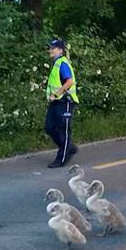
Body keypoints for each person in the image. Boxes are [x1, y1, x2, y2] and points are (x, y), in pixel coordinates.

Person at [44, 39, 79, 168]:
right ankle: (68, 147)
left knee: (64, 130)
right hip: (56, 102)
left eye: (53, 48)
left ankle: (61, 159)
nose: (50, 50)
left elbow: (69, 81)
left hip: (65, 101)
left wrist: (56, 94)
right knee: (49, 127)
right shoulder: (56, 63)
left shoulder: (62, 63)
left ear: (60, 50)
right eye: (50, 48)